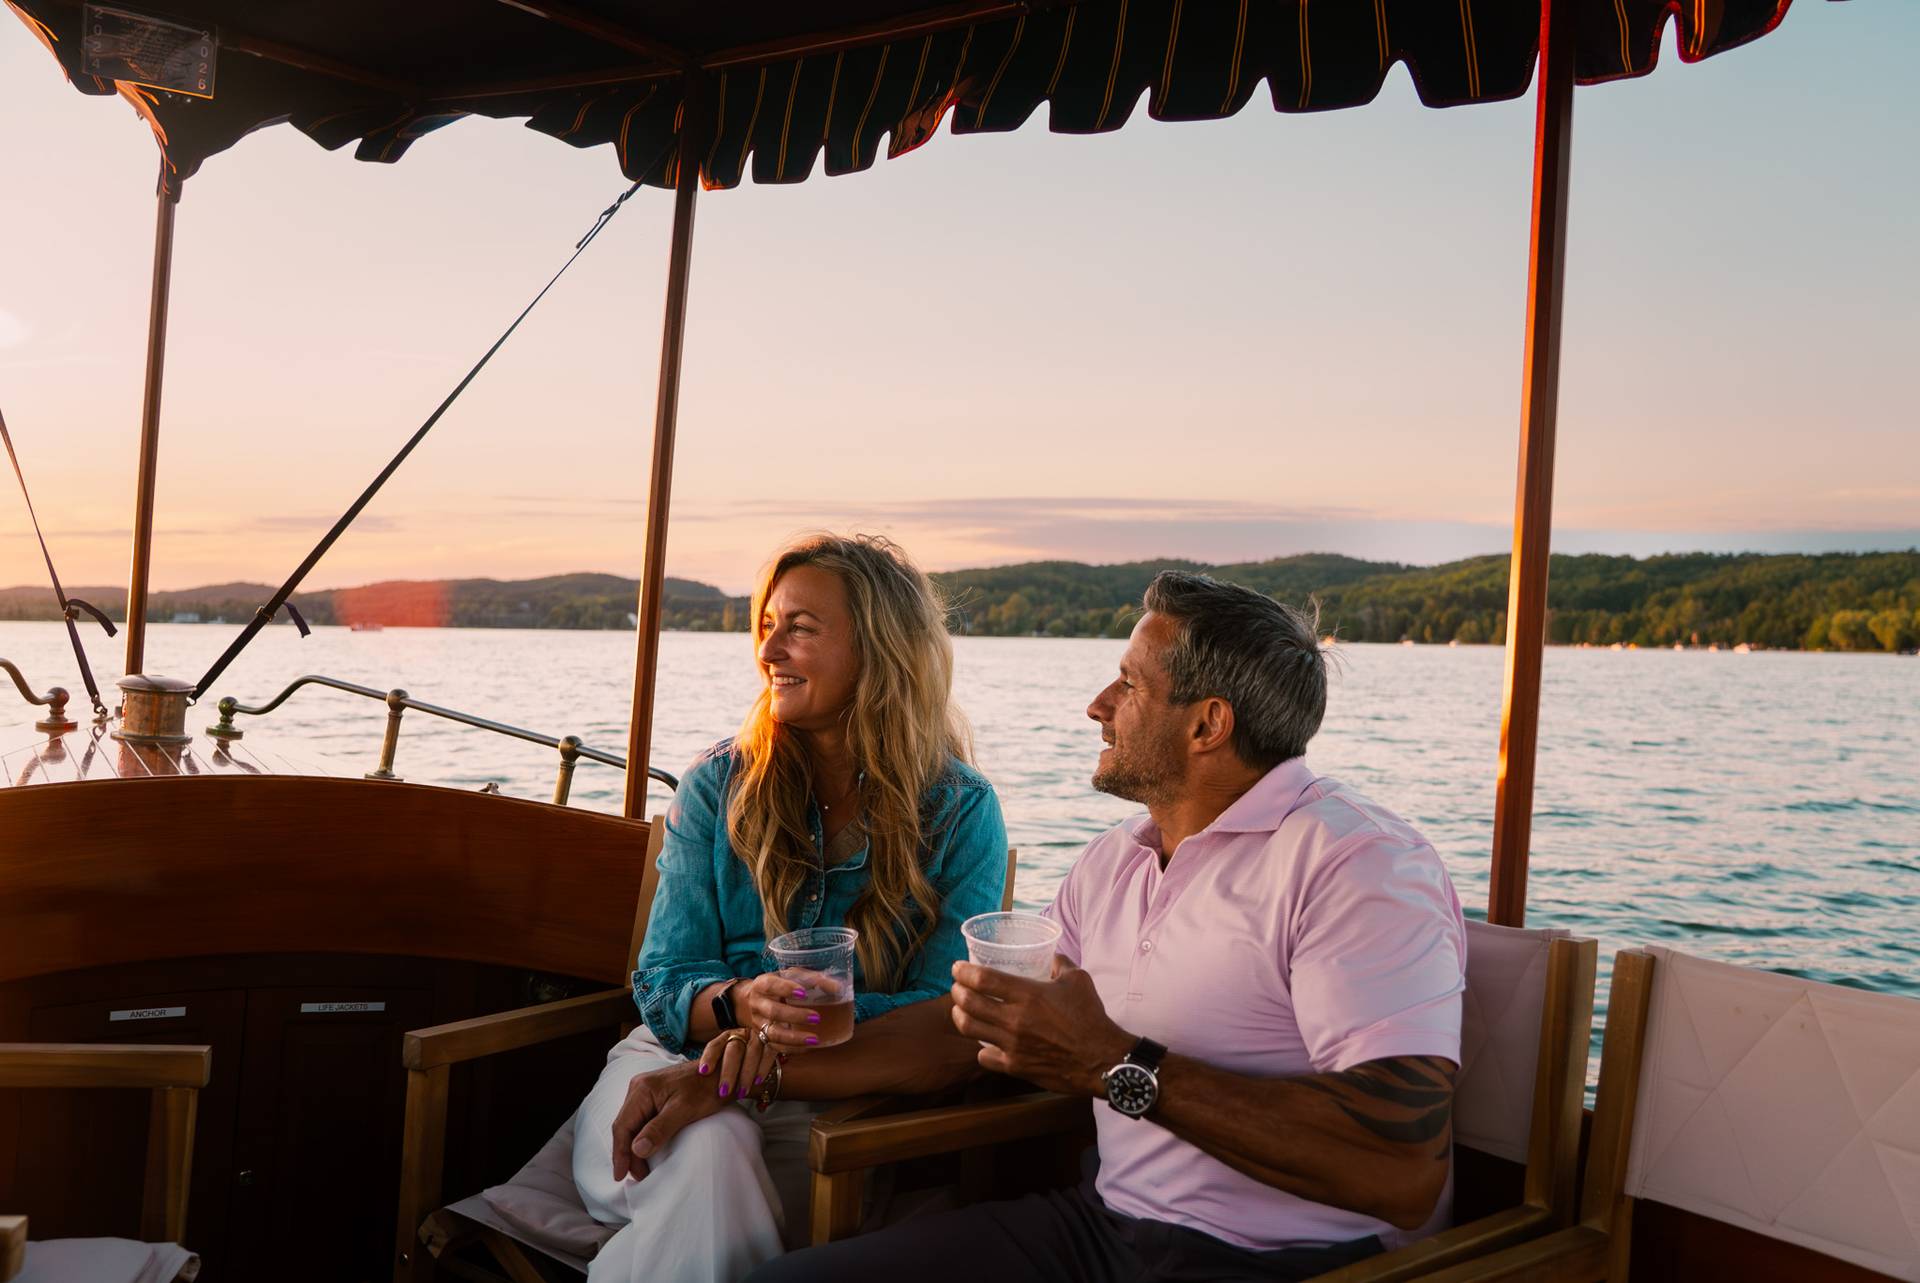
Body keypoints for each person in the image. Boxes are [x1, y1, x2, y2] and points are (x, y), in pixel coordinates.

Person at [614, 570, 1468, 1283]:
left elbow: (1397, 1169)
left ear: (1209, 724)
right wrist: (736, 1083)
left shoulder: (1355, 864)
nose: (1098, 703)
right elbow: (961, 1032)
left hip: (1295, 1261)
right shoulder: (1116, 863)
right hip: (1105, 1233)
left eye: (1130, 684)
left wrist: (1117, 1063)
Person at [568, 532, 1008, 1283]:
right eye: (766, 625)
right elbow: (665, 975)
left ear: (879, 648)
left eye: (799, 627)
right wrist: (741, 1003)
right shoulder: (719, 784)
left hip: (836, 1109)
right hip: (664, 1070)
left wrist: (771, 1054)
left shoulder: (961, 810)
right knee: (709, 1145)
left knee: (715, 1154)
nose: (769, 650)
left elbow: (944, 1016)